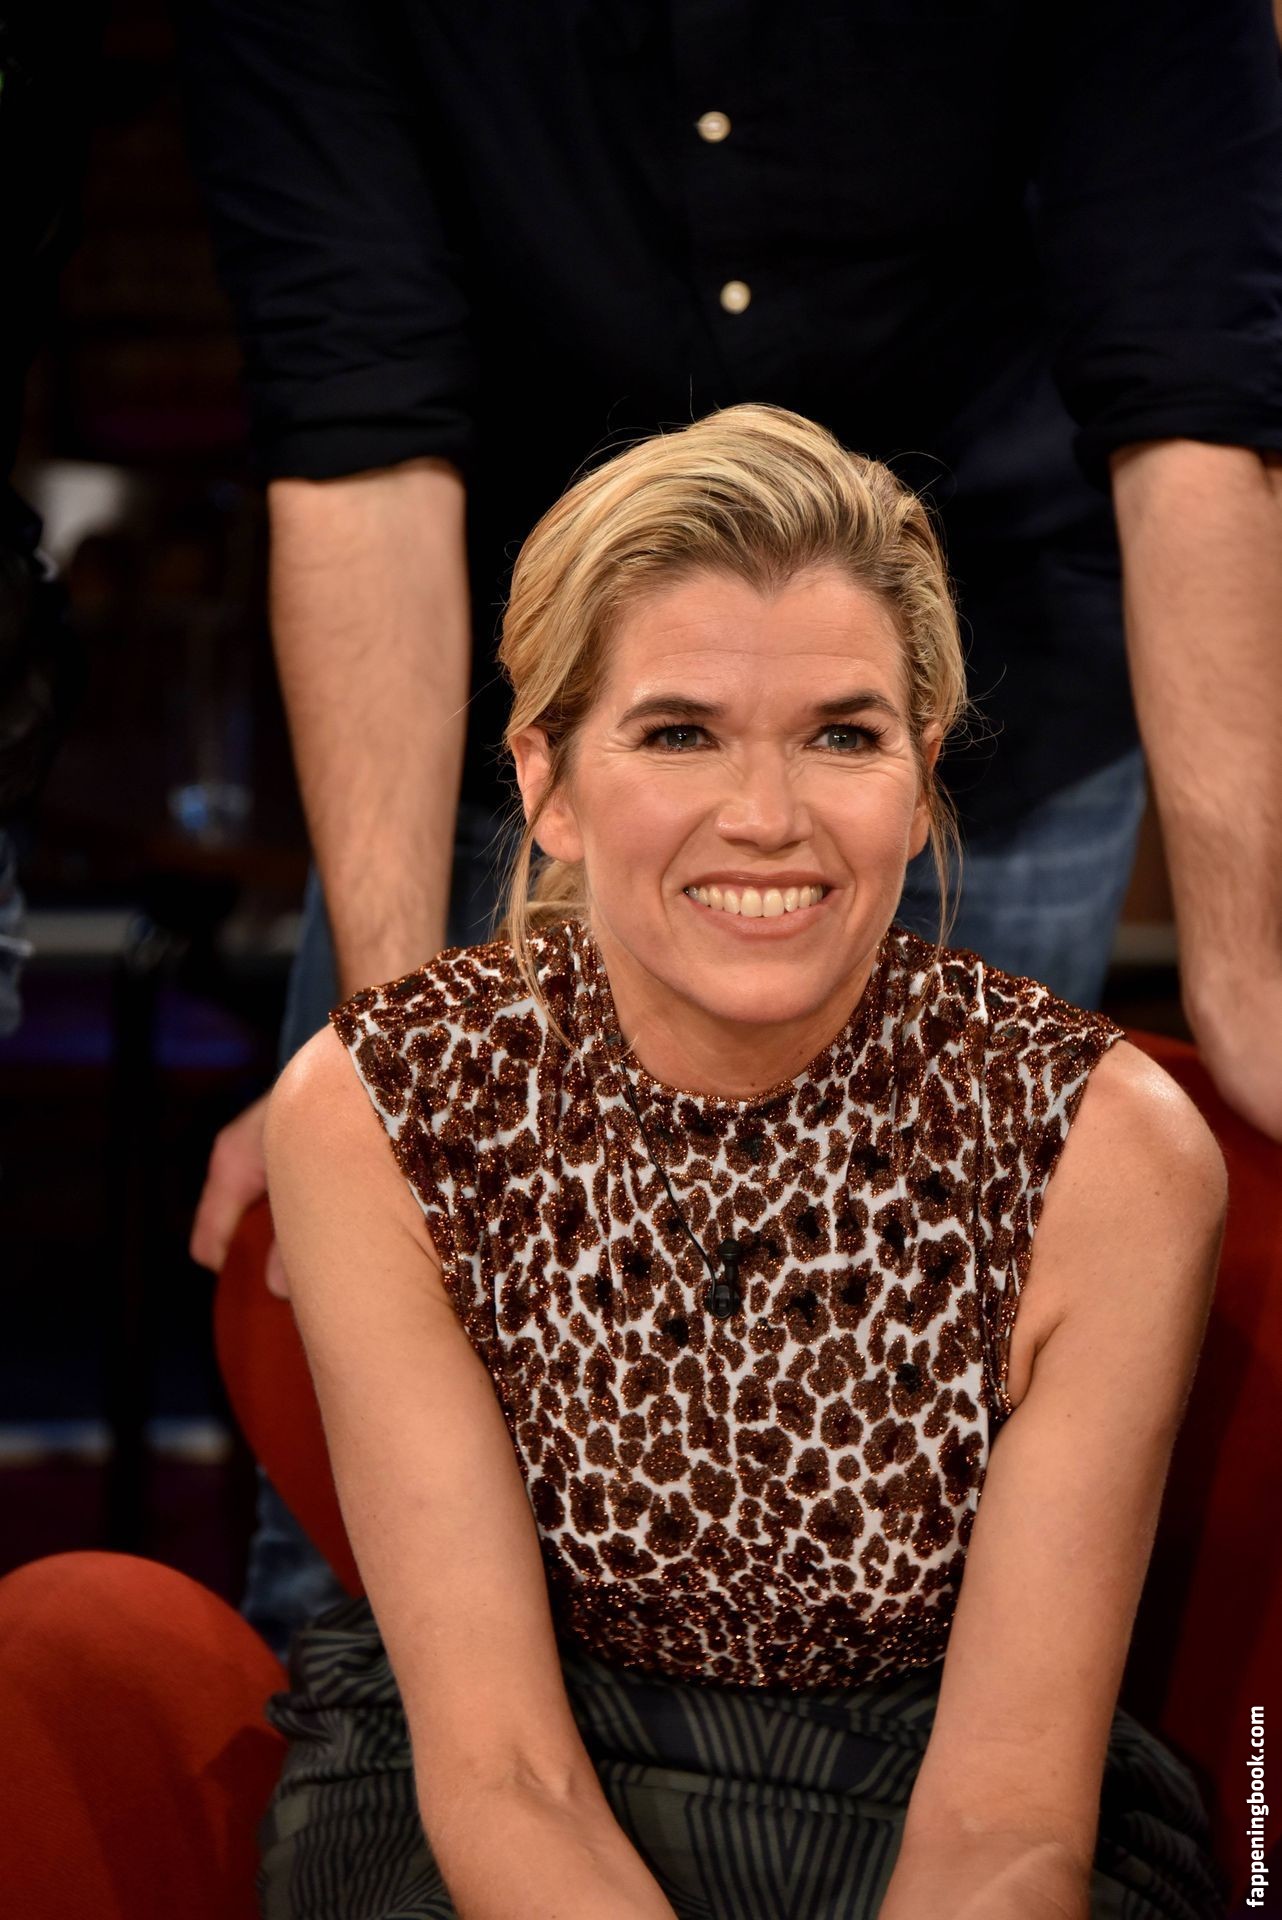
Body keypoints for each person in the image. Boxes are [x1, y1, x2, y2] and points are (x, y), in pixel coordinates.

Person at [182, 0, 1282, 1652]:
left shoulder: (915, 760)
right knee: (367, 1524)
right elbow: (359, 427)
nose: (759, 826)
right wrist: (391, 1056)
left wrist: (1246, 973)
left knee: (944, 1478)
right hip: (516, 690)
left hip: (1003, 665)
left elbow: (1193, 400)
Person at [260, 408, 1227, 1920]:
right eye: (678, 733)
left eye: (842, 735)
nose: (767, 819)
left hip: (927, 1795)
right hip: (499, 1781)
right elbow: (504, 1773)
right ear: (547, 784)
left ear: (920, 779)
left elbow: (1003, 1824)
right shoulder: (380, 1107)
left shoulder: (1104, 1147)